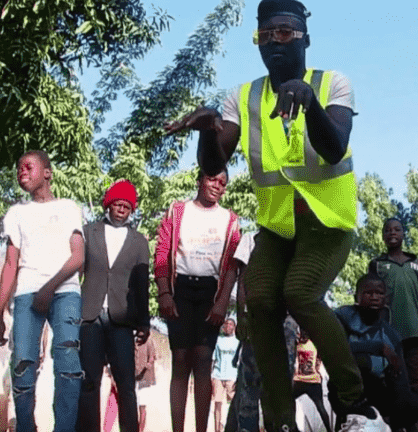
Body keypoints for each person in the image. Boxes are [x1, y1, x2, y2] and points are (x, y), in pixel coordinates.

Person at [163, 0, 387, 430]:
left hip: (327, 222)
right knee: (260, 301)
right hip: (279, 227)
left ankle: (355, 404)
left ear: (305, 37)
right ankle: (281, 417)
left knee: (300, 293)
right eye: (264, 36)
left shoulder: (332, 84)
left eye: (283, 33)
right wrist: (209, 132)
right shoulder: (244, 97)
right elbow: (213, 165)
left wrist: (309, 103)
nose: (273, 44)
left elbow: (335, 145)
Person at [0, 150, 85, 432]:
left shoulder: (69, 207)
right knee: (22, 363)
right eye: (18, 168)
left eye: (28, 166)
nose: (22, 171)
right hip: (26, 294)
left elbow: (78, 256)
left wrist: (49, 288)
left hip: (65, 291)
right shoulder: (16, 213)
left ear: (47, 172)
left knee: (68, 362)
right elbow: (11, 263)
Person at [154, 165, 241, 432]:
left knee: (203, 361)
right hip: (179, 288)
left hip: (210, 293)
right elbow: (161, 253)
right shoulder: (177, 210)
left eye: (223, 183)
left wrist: (222, 302)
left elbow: (231, 267)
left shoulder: (230, 220)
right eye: (212, 179)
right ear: (200, 180)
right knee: (180, 361)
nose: (217, 186)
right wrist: (165, 293)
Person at [77, 179, 151, 432]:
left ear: (132, 209)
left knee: (126, 384)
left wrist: (144, 321)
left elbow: (142, 284)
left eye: (126, 206)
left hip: (122, 319)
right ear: (108, 205)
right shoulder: (89, 232)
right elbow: (77, 272)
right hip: (90, 316)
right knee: (88, 382)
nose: (121, 209)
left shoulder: (140, 241)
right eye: (117, 204)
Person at [369, 217, 418, 432]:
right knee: (393, 388)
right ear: (383, 236)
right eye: (387, 230)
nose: (392, 233)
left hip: (416, 337)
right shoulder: (377, 265)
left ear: (403, 234)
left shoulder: (417, 264)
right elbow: (371, 301)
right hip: (389, 340)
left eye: (397, 229)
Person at [223, 232, 299, 432]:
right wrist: (242, 315)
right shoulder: (252, 238)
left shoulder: (298, 240)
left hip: (286, 321)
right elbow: (243, 279)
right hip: (257, 317)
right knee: (250, 381)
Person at [334, 274, 418, 431]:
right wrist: (376, 348)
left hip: (378, 391)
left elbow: (400, 375)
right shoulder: (342, 318)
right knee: (363, 361)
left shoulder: (391, 335)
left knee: (411, 402)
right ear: (357, 296)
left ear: (386, 299)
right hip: (346, 389)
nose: (374, 297)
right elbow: (335, 351)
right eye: (368, 293)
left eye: (380, 293)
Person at [293, 329, 332, 432]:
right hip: (308, 381)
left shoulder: (298, 344)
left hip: (305, 381)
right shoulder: (312, 344)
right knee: (321, 408)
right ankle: (329, 430)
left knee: (320, 408)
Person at [212, 318, 239, 432]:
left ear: (234, 327)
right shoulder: (218, 340)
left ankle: (233, 427)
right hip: (218, 375)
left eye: (230, 324)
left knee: (234, 404)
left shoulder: (237, 341)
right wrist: (210, 376)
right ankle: (217, 429)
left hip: (232, 377)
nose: (228, 326)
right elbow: (213, 359)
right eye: (226, 324)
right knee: (217, 404)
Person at [135, 335, 157, 432]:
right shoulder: (132, 340)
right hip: (133, 378)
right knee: (132, 407)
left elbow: (152, 356)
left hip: (144, 379)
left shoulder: (148, 341)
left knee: (142, 408)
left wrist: (149, 363)